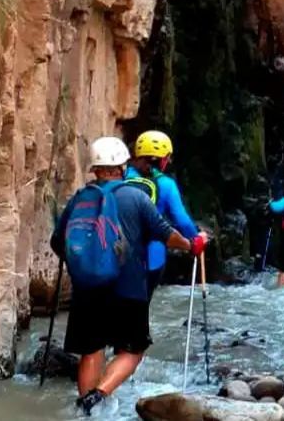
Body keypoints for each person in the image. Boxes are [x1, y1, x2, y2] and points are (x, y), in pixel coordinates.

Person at [50, 137, 207, 415]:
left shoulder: (80, 199)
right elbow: (165, 233)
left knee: (91, 349)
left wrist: (85, 263)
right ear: (122, 166)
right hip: (128, 287)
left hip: (87, 289)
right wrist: (191, 244)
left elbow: (57, 242)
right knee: (133, 349)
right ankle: (97, 396)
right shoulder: (136, 197)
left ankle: (86, 410)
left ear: (96, 168)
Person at [124, 130, 199, 298]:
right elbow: (182, 221)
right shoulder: (166, 184)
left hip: (120, 257)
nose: (169, 161)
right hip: (152, 259)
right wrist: (196, 238)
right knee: (141, 307)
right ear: (161, 160)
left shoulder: (122, 178)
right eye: (167, 157)